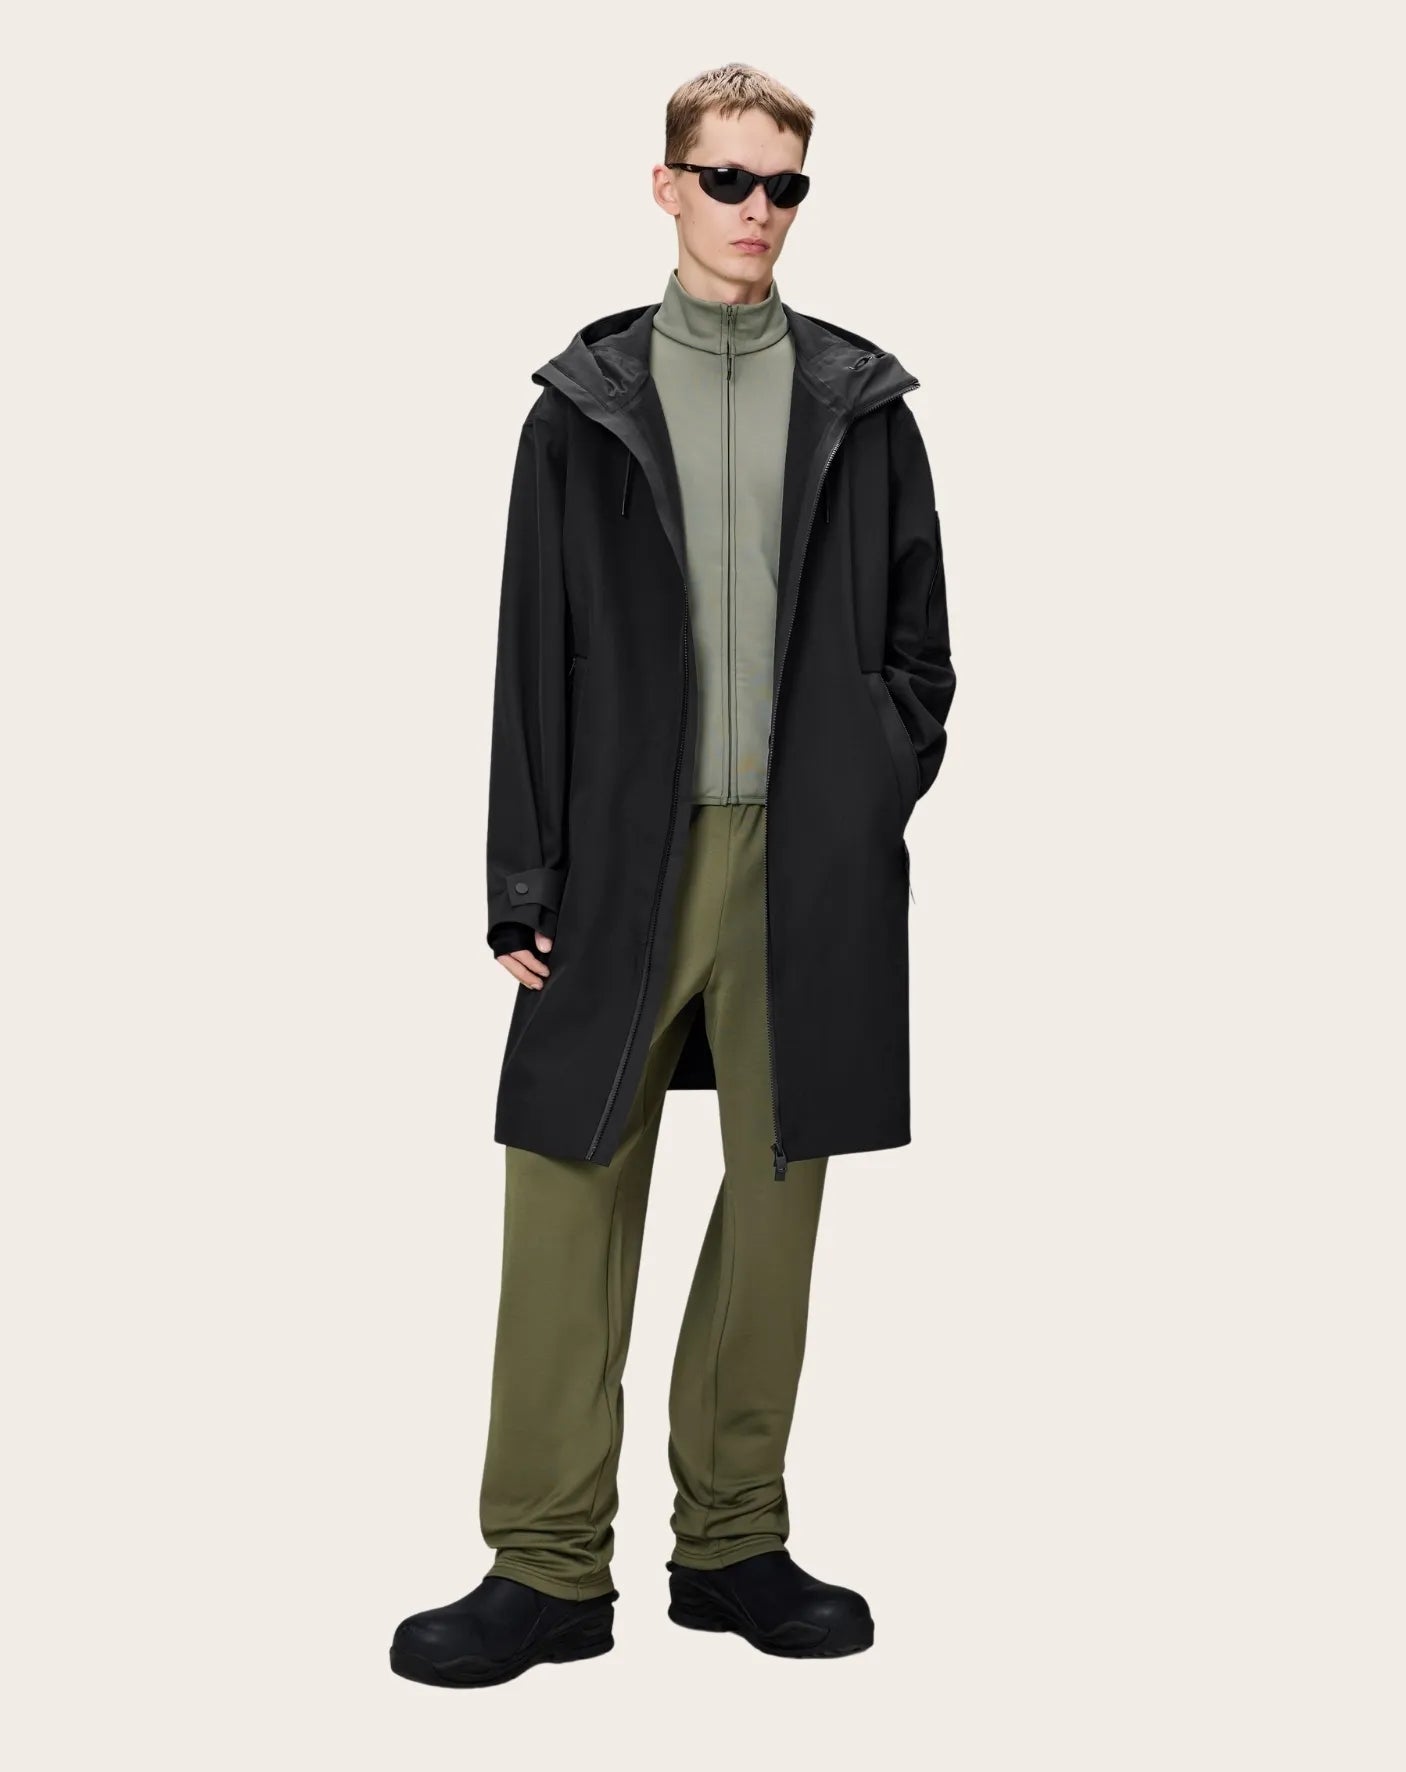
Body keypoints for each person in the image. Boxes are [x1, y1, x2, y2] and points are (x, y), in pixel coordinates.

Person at [391, 61, 956, 1688]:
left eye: (784, 187)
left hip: (804, 865)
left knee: (776, 1209)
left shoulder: (861, 404)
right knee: (564, 1194)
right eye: (728, 181)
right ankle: (545, 1567)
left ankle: (732, 1545)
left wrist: (862, 785)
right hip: (622, 855)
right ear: (665, 187)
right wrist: (523, 876)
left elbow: (919, 651)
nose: (756, 212)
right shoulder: (582, 411)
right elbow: (529, 652)